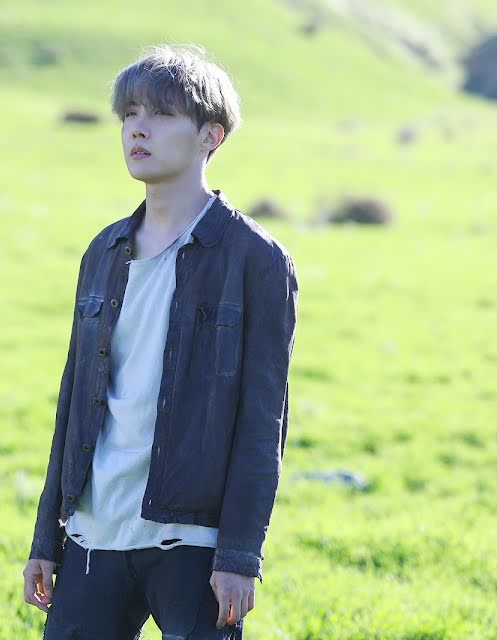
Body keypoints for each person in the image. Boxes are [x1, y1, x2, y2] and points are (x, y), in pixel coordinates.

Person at [22, 42, 298, 639]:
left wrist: (239, 556)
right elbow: (72, 403)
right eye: (130, 114)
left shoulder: (255, 259)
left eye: (162, 114)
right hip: (93, 532)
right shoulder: (103, 252)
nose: (137, 129)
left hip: (193, 542)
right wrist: (46, 538)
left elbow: (263, 421)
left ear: (210, 136)